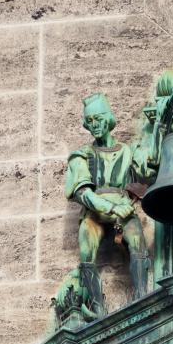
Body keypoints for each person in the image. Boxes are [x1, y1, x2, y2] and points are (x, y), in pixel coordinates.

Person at [64, 92, 157, 314]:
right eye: (90, 121)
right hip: (96, 211)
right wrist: (112, 208)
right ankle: (96, 307)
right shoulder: (82, 155)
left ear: (108, 118)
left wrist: (157, 130)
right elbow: (83, 193)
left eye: (99, 118)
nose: (94, 125)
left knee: (137, 241)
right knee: (86, 247)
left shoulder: (127, 151)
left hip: (124, 210)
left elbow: (149, 167)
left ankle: (141, 297)